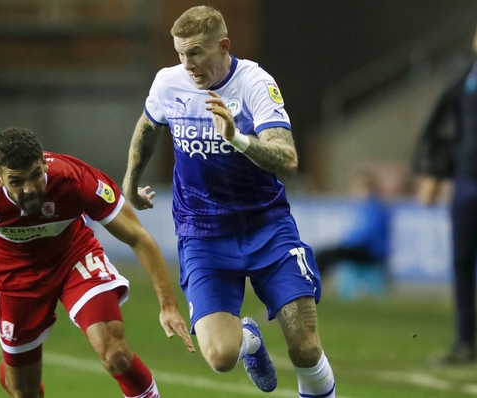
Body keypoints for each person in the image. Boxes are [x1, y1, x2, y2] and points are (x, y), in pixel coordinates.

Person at [122, 5, 336, 396]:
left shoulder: (255, 84)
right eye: (180, 53)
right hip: (203, 235)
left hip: (266, 227)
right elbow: (148, 127)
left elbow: (288, 159)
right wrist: (130, 183)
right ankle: (249, 339)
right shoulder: (169, 83)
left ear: (223, 46)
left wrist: (237, 138)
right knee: (221, 357)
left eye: (196, 52)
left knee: (304, 345)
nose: (186, 64)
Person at [0, 127, 194, 398]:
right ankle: (11, 371)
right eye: (17, 181)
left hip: (74, 260)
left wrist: (168, 305)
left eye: (36, 175)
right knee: (23, 390)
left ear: (44, 163)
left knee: (115, 353)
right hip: (16, 276)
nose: (30, 188)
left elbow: (138, 237)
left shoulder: (75, 179)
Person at [412, 6, 477, 365]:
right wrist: (434, 173)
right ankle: (465, 343)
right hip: (466, 182)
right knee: (462, 262)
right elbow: (443, 130)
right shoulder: (465, 78)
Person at [315, 169, 390, 278]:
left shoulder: (375, 208)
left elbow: (367, 235)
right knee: (327, 253)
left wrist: (345, 243)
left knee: (327, 254)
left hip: (370, 253)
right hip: (360, 249)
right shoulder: (362, 208)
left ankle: (312, 282)